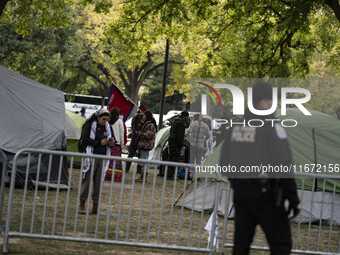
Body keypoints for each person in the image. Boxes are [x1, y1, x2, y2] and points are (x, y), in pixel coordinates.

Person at [219, 82, 300, 255]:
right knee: (281, 242)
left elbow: (224, 163)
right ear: (264, 102)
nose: (274, 104)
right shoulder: (272, 126)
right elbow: (283, 163)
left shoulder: (236, 126)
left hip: (241, 192)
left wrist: (238, 181)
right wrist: (292, 197)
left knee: (241, 244)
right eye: (272, 100)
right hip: (266, 193)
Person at [78, 108, 115, 215]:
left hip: (103, 157)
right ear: (98, 117)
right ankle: (82, 204)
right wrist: (99, 142)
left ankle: (95, 205)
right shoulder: (89, 125)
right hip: (91, 156)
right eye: (103, 119)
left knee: (98, 183)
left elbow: (113, 138)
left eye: (107, 119)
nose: (105, 121)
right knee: (87, 181)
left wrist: (112, 142)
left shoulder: (108, 127)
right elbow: (84, 140)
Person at [135, 110, 156, 182]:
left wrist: (140, 133)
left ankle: (144, 177)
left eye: (144, 116)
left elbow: (149, 135)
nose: (143, 117)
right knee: (142, 161)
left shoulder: (150, 125)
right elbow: (139, 126)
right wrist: (141, 121)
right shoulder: (145, 124)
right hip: (143, 145)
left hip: (146, 145)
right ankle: (142, 177)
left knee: (144, 161)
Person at [167, 111, 189, 180]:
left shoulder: (175, 121)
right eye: (187, 117)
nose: (187, 118)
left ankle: (169, 174)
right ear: (184, 116)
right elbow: (179, 136)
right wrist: (180, 145)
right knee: (174, 159)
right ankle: (171, 175)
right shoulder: (180, 124)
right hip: (176, 144)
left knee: (171, 158)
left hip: (171, 142)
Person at [125, 105, 147, 173]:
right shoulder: (143, 118)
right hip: (140, 138)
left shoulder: (135, 117)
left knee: (131, 154)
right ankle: (139, 170)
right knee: (139, 155)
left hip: (135, 137)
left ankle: (127, 168)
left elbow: (132, 126)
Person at [105, 107, 125, 182]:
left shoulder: (107, 121)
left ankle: (107, 175)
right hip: (117, 144)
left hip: (109, 143)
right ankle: (116, 176)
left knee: (108, 160)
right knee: (116, 161)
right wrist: (122, 144)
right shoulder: (120, 121)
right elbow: (121, 133)